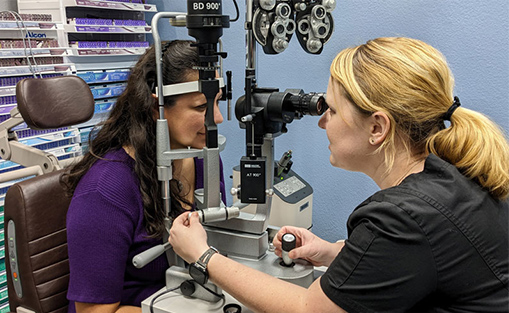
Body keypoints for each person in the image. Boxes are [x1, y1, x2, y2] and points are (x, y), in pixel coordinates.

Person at [169, 37, 509, 312]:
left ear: (377, 127)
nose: (322, 121)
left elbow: (307, 308)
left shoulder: (402, 217)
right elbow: (424, 260)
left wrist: (203, 255)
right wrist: (337, 253)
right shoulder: (451, 174)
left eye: (331, 109)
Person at [61, 40, 226, 313]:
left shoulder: (204, 160)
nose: (217, 118)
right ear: (156, 107)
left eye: (218, 102)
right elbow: (94, 312)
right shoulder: (105, 191)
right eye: (200, 107)